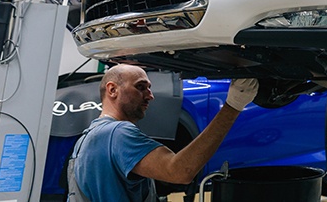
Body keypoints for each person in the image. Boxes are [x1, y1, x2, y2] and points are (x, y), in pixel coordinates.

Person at [67, 64, 258, 202]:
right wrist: (233, 105)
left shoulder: (85, 140)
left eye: (149, 88)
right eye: (140, 87)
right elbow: (180, 171)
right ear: (112, 90)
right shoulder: (117, 133)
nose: (150, 96)